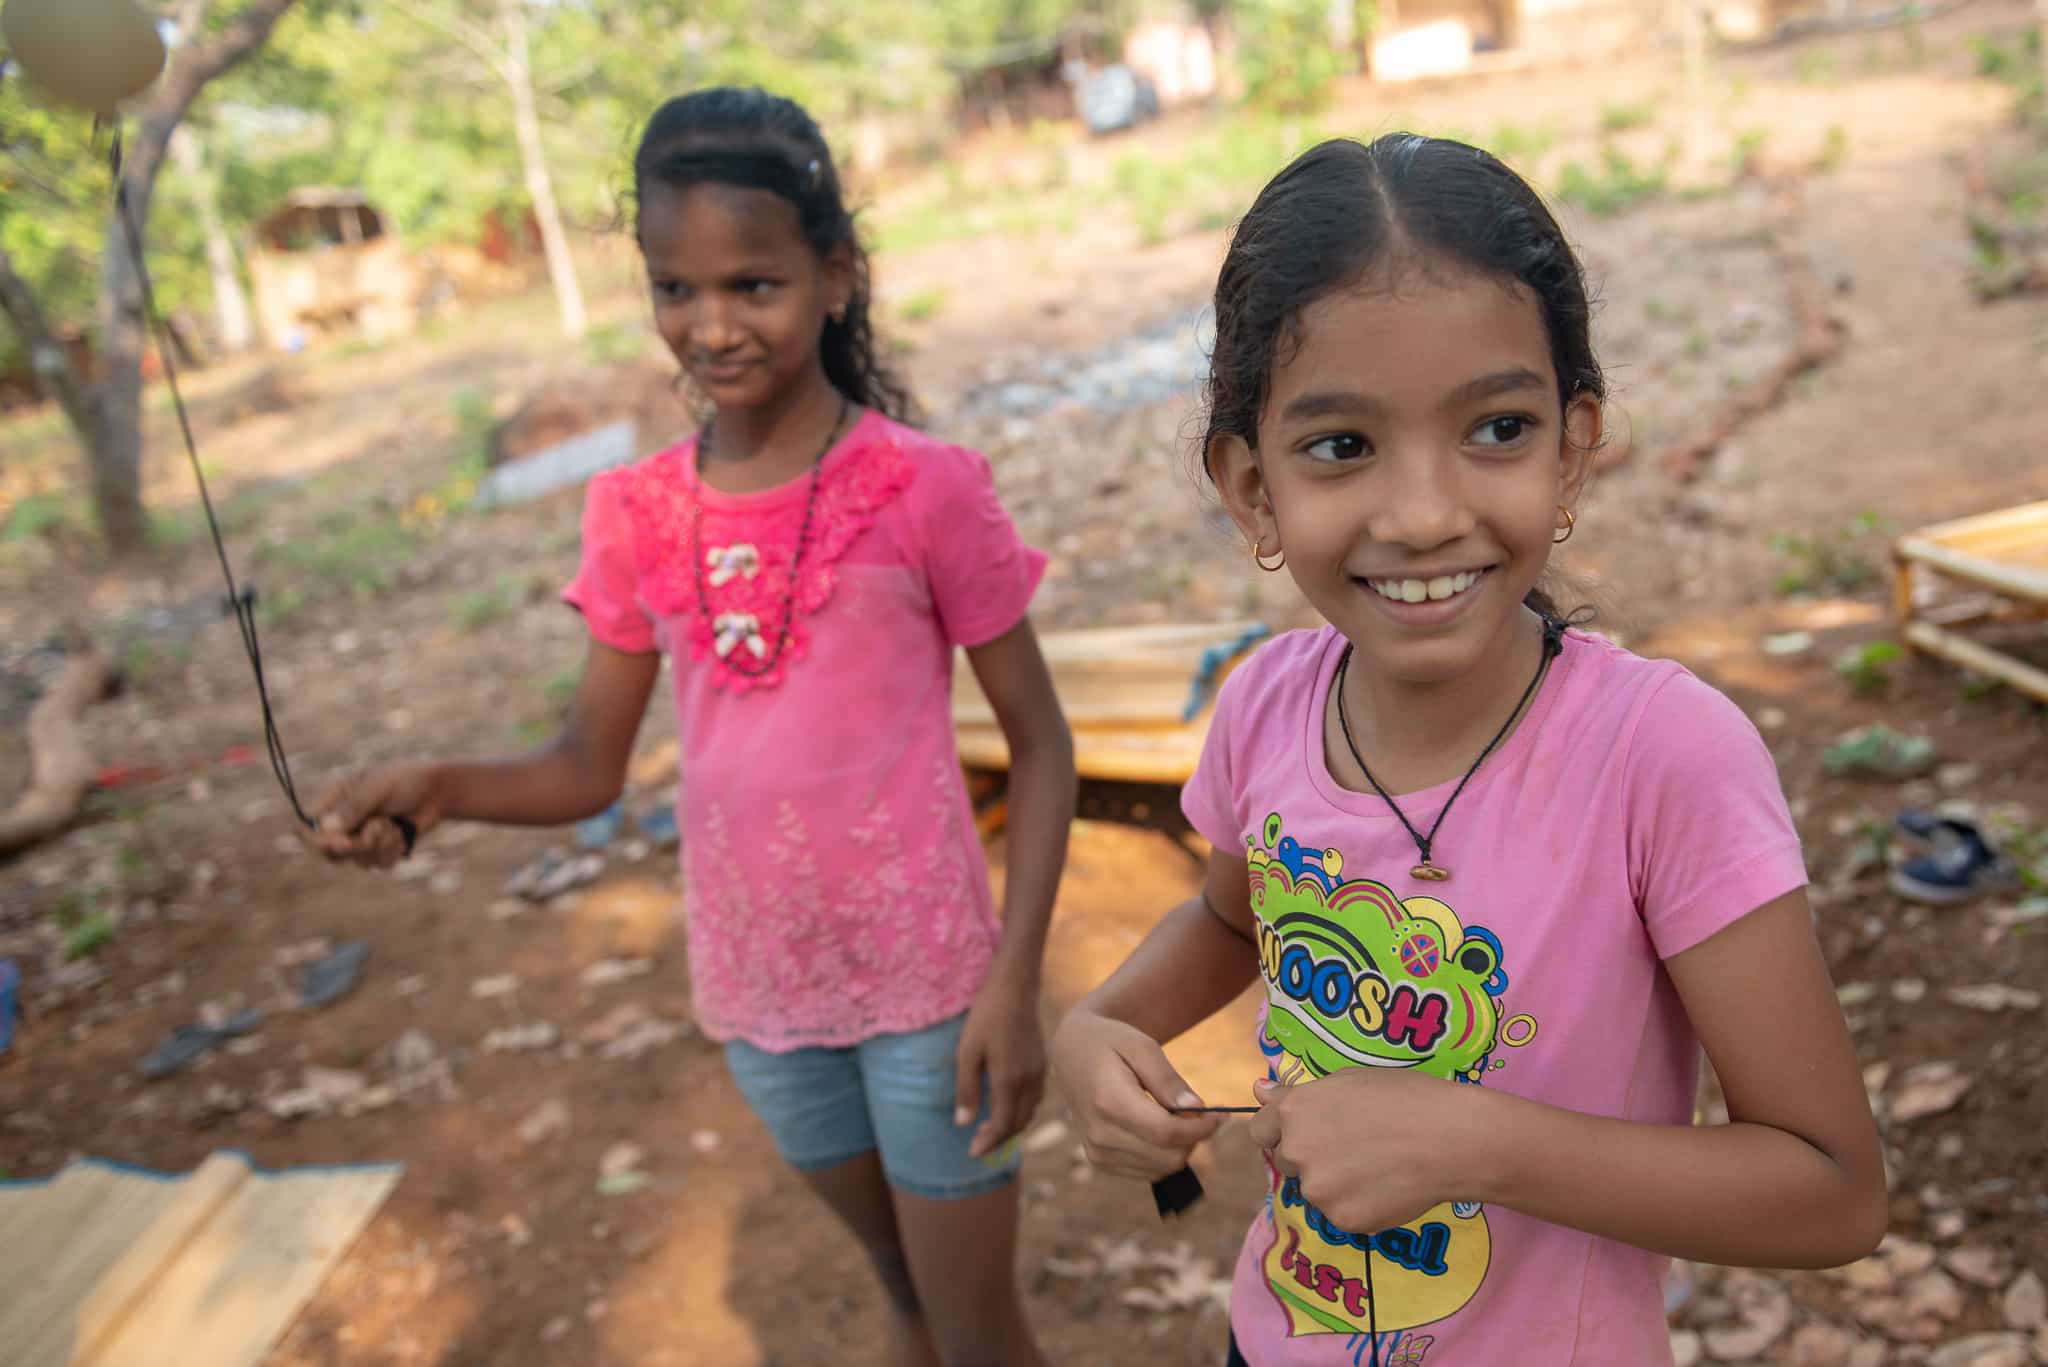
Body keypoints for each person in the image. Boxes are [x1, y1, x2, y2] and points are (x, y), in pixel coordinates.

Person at [1048, 134, 1886, 1367]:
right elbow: (1231, 919)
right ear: (1251, 488)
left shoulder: (1661, 759)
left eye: (1495, 427)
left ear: (1571, 449)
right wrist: (1099, 1023)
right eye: (1341, 446)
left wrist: (1475, 1143)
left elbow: (1831, 1191)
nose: (1424, 513)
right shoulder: (1263, 708)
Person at [309, 87, 1073, 1367]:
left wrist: (1013, 981)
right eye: (676, 288)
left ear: (834, 276)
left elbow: (1040, 743)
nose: (710, 326)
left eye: (752, 284)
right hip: (763, 996)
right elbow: (583, 766)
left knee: (974, 1323)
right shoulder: (635, 512)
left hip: (934, 988)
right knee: (900, 1290)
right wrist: (432, 786)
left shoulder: (921, 488)